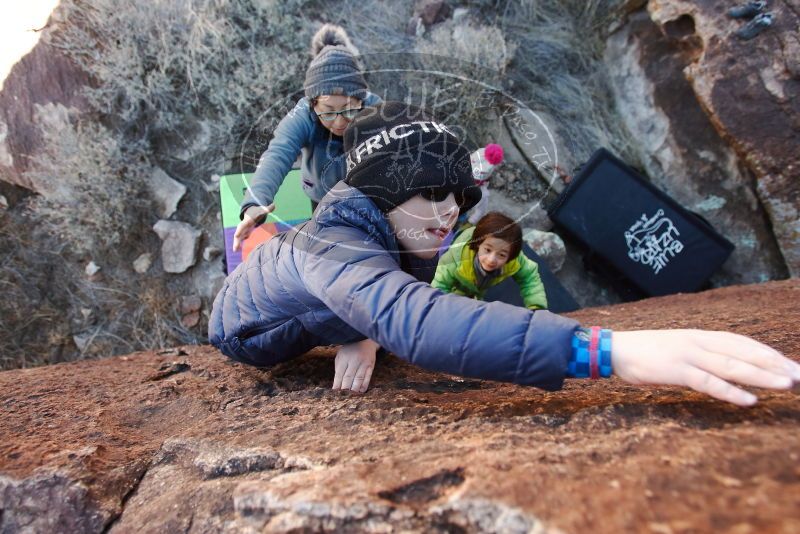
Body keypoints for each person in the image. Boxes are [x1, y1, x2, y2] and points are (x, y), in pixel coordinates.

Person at [209, 102, 800, 407]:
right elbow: (414, 320)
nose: (448, 213)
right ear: (388, 191)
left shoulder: (390, 222)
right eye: (433, 194)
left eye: (458, 197)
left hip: (308, 273)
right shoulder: (341, 242)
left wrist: (364, 329)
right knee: (349, 299)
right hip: (245, 332)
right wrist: (607, 351)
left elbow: (390, 295)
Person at [232, 24, 382, 252]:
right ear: (313, 103)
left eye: (350, 109)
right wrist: (254, 203)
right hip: (321, 192)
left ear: (362, 100)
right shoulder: (303, 116)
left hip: (365, 192)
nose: (340, 121)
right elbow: (278, 154)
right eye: (329, 111)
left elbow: (405, 148)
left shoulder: (375, 109)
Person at [432, 211, 547, 309]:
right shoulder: (454, 260)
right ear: (478, 244)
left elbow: (530, 278)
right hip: (454, 291)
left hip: (477, 291)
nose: (492, 260)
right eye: (487, 250)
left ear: (510, 256)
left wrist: (536, 307)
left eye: (501, 255)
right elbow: (438, 286)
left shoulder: (513, 259)